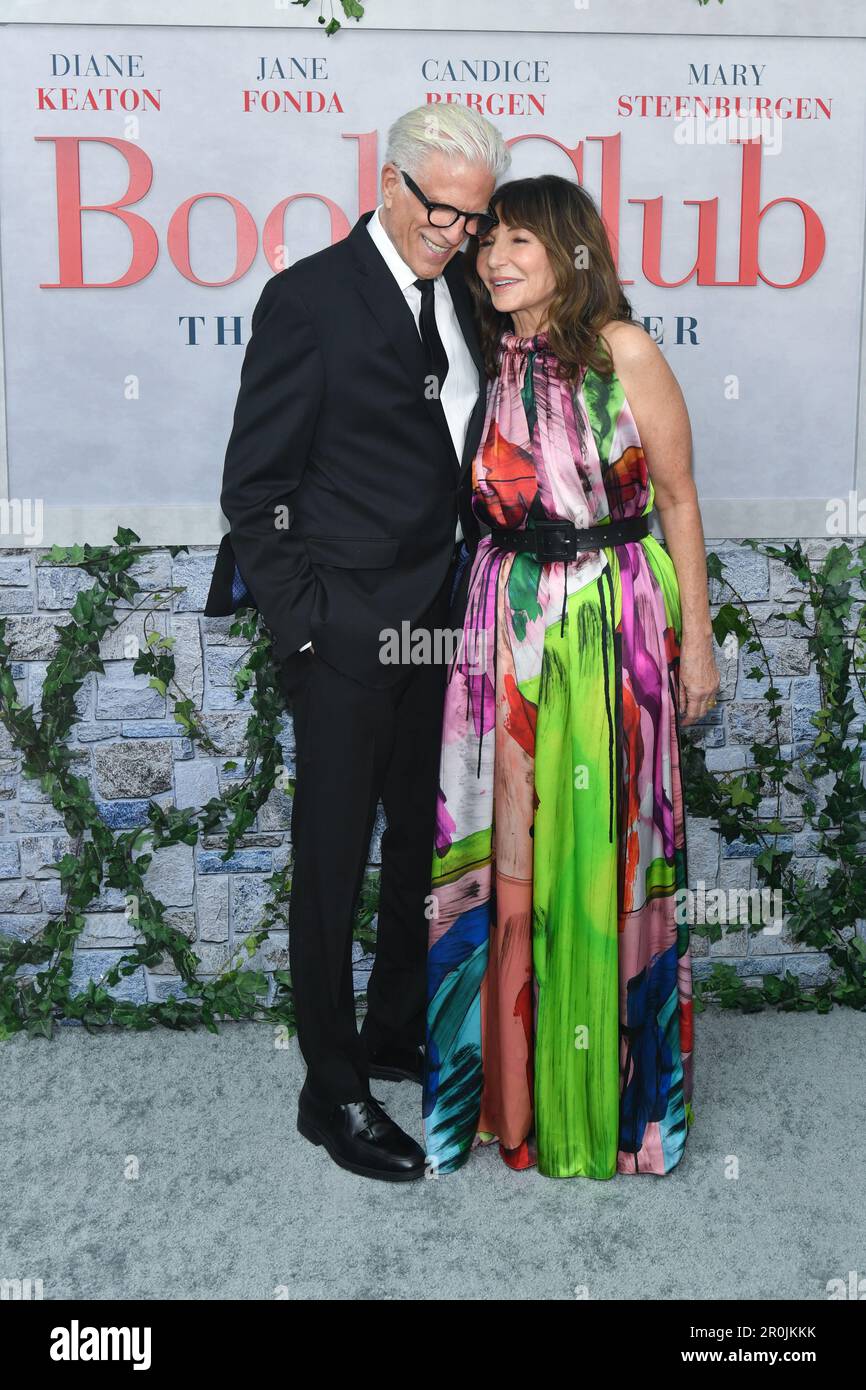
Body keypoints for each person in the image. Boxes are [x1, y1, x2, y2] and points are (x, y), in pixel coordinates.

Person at [204, 104, 511, 1180]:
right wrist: (306, 632)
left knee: (419, 844)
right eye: (441, 210)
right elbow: (255, 486)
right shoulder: (308, 301)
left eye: (472, 219)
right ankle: (328, 1090)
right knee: (331, 863)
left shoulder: (464, 294)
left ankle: (391, 1031)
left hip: (441, 622)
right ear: (387, 183)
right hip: (343, 630)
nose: (456, 234)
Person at [423, 174, 721, 1179]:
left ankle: (605, 1103)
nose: (494, 258)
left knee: (598, 856)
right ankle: (511, 1095)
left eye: (517, 241)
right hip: (502, 619)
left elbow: (676, 497)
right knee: (507, 855)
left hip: (609, 613)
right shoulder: (485, 354)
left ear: (568, 249)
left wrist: (697, 644)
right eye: (487, 243)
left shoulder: (623, 351)